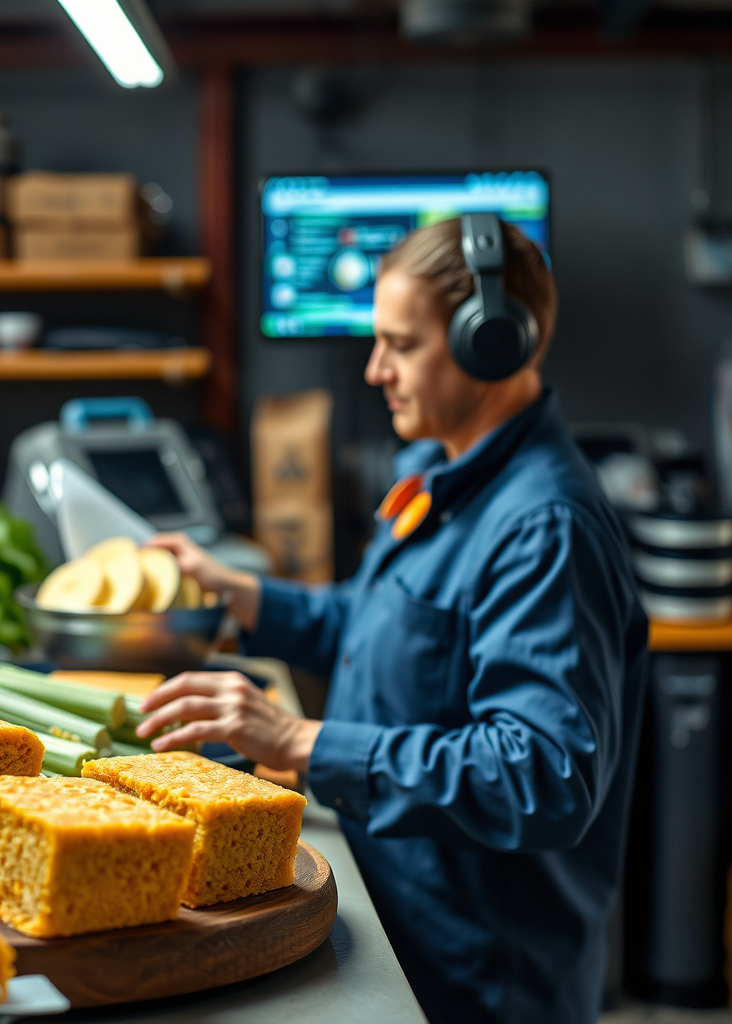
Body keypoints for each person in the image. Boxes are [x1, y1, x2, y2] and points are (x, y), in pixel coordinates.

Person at [139, 215, 648, 1024]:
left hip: (482, 977)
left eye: (400, 345)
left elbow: (544, 774)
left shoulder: (544, 528)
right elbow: (387, 625)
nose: (376, 369)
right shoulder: (435, 469)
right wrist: (245, 594)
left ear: (494, 344)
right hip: (400, 925)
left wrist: (301, 741)